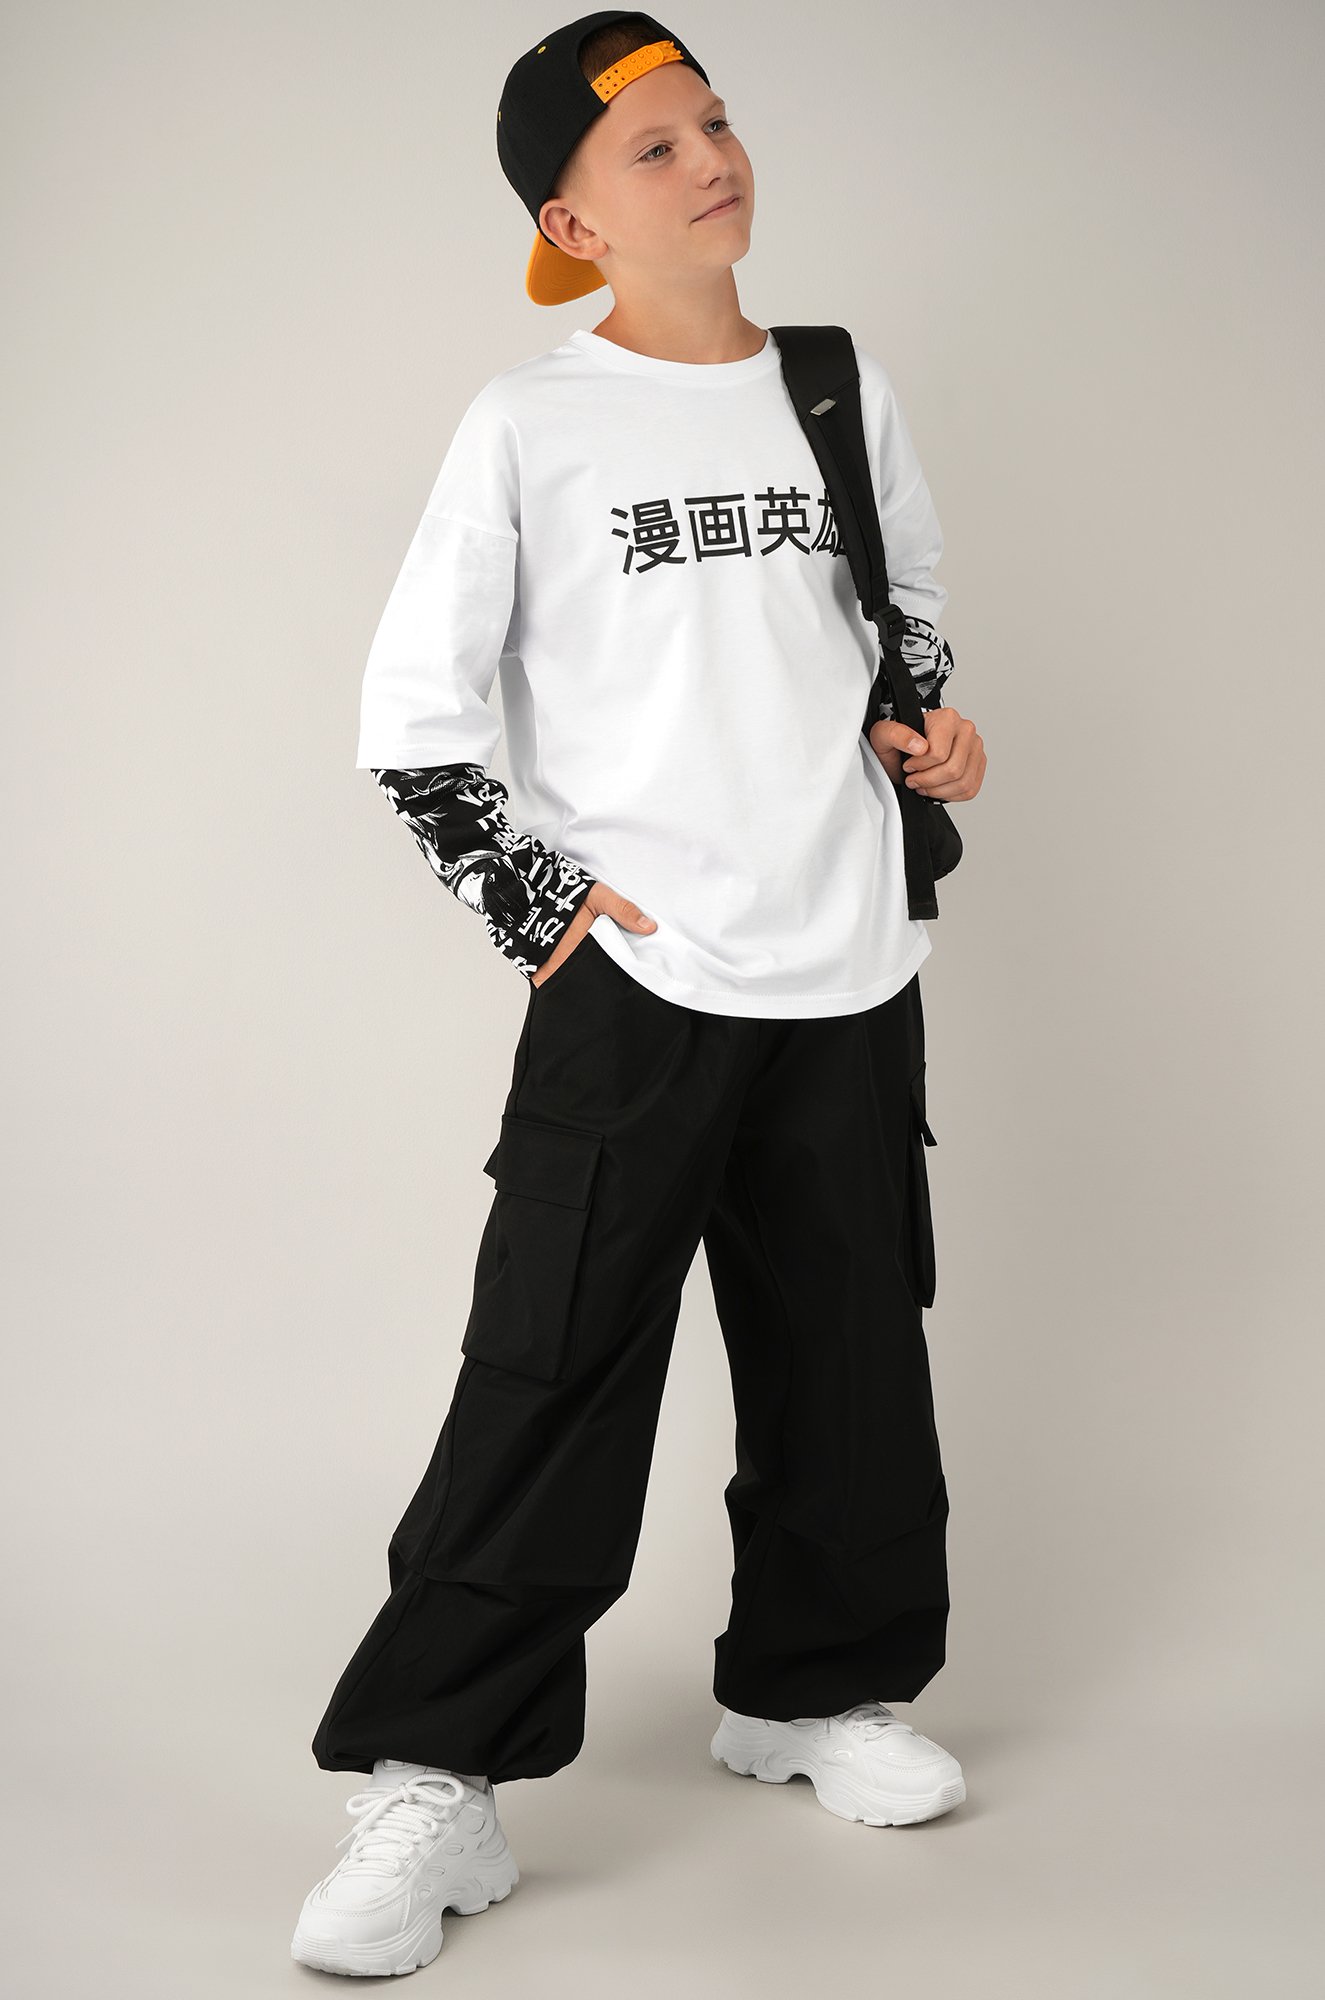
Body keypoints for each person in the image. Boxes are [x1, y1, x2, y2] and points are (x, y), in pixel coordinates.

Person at [292, 9, 987, 1979]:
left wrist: (935, 736)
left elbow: (901, 627)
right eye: (654, 148)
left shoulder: (836, 386)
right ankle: (435, 1774)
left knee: (848, 1346)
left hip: (848, 960)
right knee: (552, 1365)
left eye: (716, 122)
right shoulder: (531, 422)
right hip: (642, 975)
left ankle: (814, 1687)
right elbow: (414, 715)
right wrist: (543, 905)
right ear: (571, 224)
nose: (711, 160)